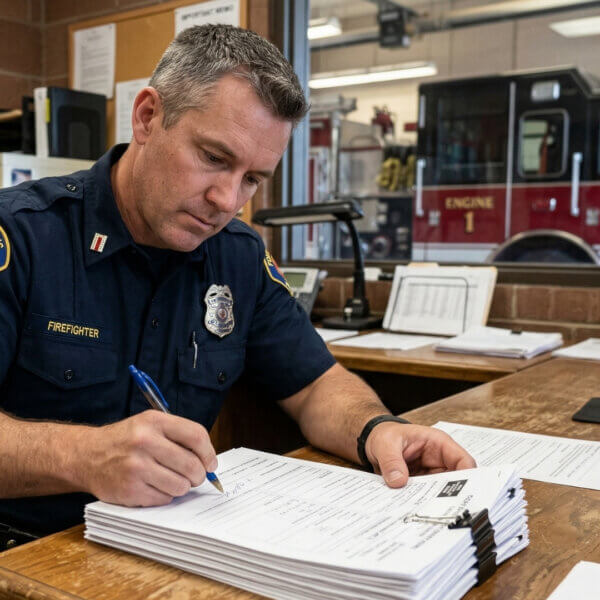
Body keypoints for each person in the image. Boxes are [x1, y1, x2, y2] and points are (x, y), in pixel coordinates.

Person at [0, 24, 475, 544]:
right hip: (23, 550)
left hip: (175, 548)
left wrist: (377, 430)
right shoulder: (23, 237)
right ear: (147, 117)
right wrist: (83, 457)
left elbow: (315, 384)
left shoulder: (239, 257)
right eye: (213, 158)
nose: (228, 201)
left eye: (252, 179)